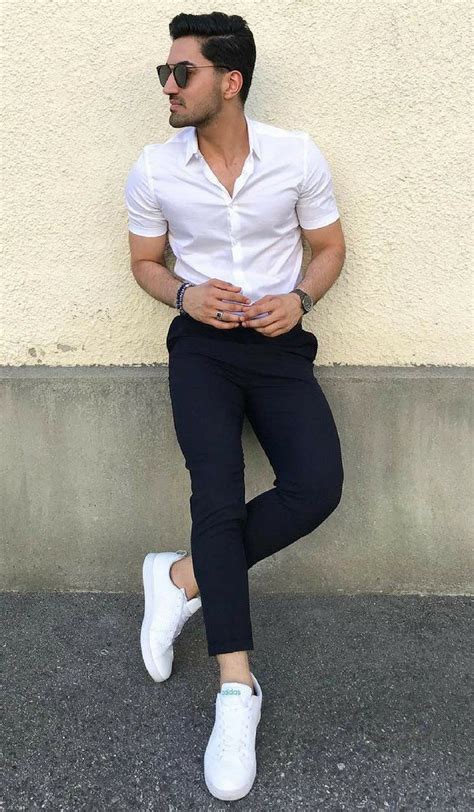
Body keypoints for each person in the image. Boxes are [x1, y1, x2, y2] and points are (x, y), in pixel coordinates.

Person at [124, 11, 345, 802]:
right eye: (166, 72)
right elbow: (145, 261)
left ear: (230, 80)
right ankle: (236, 689)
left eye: (181, 72)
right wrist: (183, 293)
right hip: (203, 351)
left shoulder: (296, 156)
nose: (168, 85)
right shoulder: (155, 168)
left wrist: (300, 299)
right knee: (215, 496)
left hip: (278, 347)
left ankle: (182, 577)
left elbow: (329, 246)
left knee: (316, 487)